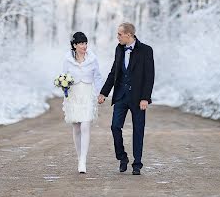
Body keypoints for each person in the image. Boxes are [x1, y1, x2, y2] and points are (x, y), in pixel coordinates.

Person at [98, 22, 155, 175]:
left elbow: (149, 76)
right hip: (121, 96)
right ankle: (122, 157)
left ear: (129, 35)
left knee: (138, 130)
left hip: (138, 98)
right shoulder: (119, 49)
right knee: (115, 127)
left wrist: (145, 98)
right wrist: (104, 92)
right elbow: (113, 72)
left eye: (119, 34)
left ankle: (137, 164)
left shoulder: (146, 50)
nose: (117, 37)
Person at [62, 31, 102, 174]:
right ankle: (79, 157)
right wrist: (63, 85)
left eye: (85, 43)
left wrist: (100, 93)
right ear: (74, 45)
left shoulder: (92, 58)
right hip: (73, 95)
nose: (84, 46)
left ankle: (83, 160)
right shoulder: (67, 59)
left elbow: (97, 77)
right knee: (77, 127)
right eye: (81, 43)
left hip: (87, 94)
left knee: (85, 125)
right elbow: (64, 76)